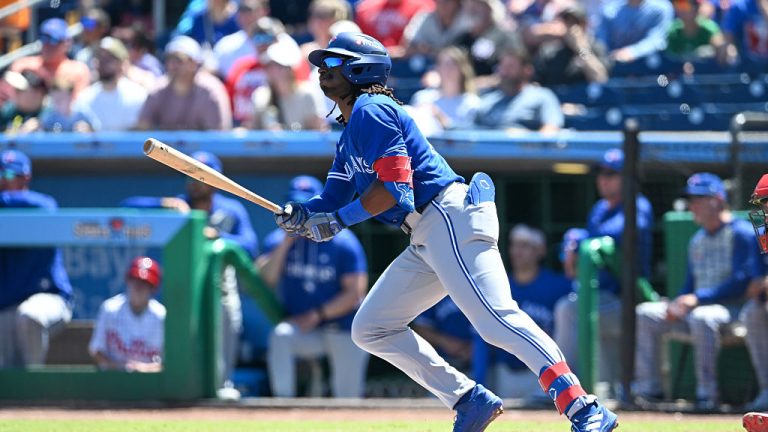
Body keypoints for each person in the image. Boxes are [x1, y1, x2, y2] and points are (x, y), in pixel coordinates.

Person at [274, 31, 619, 431]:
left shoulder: (371, 108)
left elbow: (394, 189)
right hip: (427, 233)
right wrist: (300, 213)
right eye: (320, 64)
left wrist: (338, 221)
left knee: (495, 320)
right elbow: (332, 196)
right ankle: (467, 399)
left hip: (445, 215)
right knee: (371, 327)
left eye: (332, 63)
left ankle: (583, 407)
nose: (322, 71)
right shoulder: (350, 129)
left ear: (359, 68)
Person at [120, 151, 257, 396]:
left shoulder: (231, 209)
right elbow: (126, 207)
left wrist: (218, 237)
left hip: (219, 286)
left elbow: (250, 246)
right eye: (190, 176)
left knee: (225, 331)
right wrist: (164, 204)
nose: (194, 182)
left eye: (200, 177)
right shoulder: (178, 205)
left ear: (215, 181)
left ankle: (222, 387)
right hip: (182, 284)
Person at [634, 173, 758, 410]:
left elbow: (741, 281)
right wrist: (678, 303)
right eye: (691, 200)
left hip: (733, 309)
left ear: (718, 200)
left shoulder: (741, 232)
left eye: (700, 198)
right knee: (646, 313)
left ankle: (706, 394)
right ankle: (650, 390)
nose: (693, 205)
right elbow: (690, 285)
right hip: (699, 307)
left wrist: (698, 299)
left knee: (703, 317)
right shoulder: (697, 239)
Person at [257, 175, 369, 397]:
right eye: (295, 206)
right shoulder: (278, 240)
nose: (300, 213)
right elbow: (266, 278)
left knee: (347, 398)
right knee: (281, 336)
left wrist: (317, 314)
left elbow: (355, 294)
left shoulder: (343, 243)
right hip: (305, 330)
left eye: (306, 206)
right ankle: (283, 406)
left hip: (345, 328)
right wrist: (286, 242)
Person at [555, 148, 653, 397]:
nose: (604, 178)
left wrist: (581, 238)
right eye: (601, 173)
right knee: (571, 307)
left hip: (630, 298)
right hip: (601, 295)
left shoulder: (637, 205)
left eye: (612, 173)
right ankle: (575, 387)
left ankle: (562, 385)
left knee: (568, 310)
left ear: (626, 178)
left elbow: (619, 235)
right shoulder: (599, 209)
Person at [472, 224, 573, 400]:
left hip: (545, 373)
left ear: (540, 251)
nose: (517, 252)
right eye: (514, 245)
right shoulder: (498, 284)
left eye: (525, 246)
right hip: (505, 374)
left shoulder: (558, 285)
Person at [0, 150, 73, 368]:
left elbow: (44, 207)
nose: (3, 181)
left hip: (49, 299)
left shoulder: (41, 204)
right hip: (7, 307)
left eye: (10, 176)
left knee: (29, 316)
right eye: (0, 176)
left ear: (26, 178)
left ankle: (34, 388)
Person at [137, 36, 232, 130]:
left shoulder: (210, 92)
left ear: (194, 63)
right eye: (169, 59)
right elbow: (143, 130)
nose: (172, 65)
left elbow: (218, 136)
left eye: (179, 60)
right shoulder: (157, 91)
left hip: (205, 146)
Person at [88, 256, 165, 372]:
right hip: (113, 380)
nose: (138, 287)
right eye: (135, 281)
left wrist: (144, 369)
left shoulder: (161, 316)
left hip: (151, 384)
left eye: (144, 283)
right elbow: (96, 350)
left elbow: (169, 363)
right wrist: (119, 368)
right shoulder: (110, 310)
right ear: (128, 281)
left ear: (153, 289)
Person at [472, 45, 563, 132]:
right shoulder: (487, 101)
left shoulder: (543, 97)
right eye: (502, 66)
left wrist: (525, 138)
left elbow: (551, 130)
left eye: (510, 66)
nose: (504, 71)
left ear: (527, 70)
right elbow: (471, 132)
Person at [73, 36, 149, 131]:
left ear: (121, 63)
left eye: (109, 58)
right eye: (100, 57)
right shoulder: (84, 98)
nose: (103, 62)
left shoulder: (138, 95)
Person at [250, 39, 327, 131]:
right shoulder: (260, 96)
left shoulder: (308, 95)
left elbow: (318, 132)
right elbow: (252, 130)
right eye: (269, 65)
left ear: (290, 69)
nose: (274, 71)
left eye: (279, 66)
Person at [532, 2, 610, 86]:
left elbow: (600, 78)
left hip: (583, 97)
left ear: (585, 24)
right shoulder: (549, 51)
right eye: (567, 22)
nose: (571, 27)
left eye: (575, 22)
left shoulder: (596, 47)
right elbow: (536, 84)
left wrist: (581, 49)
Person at [743, 173, 768, 432]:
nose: (765, 211)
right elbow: (754, 287)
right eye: (763, 204)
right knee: (754, 311)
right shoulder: (762, 233)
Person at [10, 18, 90, 98]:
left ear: (67, 43)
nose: (47, 45)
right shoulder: (22, 65)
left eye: (53, 40)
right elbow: (9, 97)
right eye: (43, 38)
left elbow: (77, 103)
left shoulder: (78, 70)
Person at [408, 46, 479, 134]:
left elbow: (468, 136)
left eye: (452, 65)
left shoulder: (471, 103)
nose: (447, 69)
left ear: (462, 69)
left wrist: (440, 118)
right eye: (443, 64)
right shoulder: (422, 97)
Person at [596, 0, 674, 63]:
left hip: (651, 68)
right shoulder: (608, 9)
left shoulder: (661, 8)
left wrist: (632, 52)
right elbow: (601, 41)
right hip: (614, 66)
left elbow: (657, 40)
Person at [354, 0, 436, 57]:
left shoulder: (424, 7)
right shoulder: (365, 8)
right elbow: (358, 44)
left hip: (408, 65)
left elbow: (426, 46)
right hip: (373, 61)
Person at [213, 0, 269, 78]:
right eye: (241, 10)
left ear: (263, 11)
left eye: (249, 10)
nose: (245, 15)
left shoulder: (279, 41)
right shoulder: (225, 46)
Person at [402, 0, 473, 59]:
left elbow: (465, 52)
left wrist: (433, 51)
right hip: (424, 66)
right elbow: (408, 43)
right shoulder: (423, 18)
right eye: (439, 1)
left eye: (447, 1)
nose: (443, 5)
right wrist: (418, 47)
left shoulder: (467, 21)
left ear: (457, 3)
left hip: (455, 69)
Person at [665, 0, 729, 62]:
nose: (682, 9)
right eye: (680, 5)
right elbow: (670, 58)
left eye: (688, 5)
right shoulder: (673, 31)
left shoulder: (708, 28)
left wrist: (710, 52)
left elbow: (722, 52)